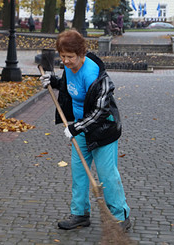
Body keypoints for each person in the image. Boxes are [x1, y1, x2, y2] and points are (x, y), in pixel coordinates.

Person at [40, 29, 131, 231]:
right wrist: (53, 81)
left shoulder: (96, 76)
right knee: (79, 173)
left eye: (70, 57)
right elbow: (68, 86)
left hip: (103, 129)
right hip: (80, 127)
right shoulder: (69, 67)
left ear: (81, 54)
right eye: (62, 56)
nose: (65, 61)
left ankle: (120, 216)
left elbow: (100, 111)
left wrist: (76, 127)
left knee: (107, 175)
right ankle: (80, 214)